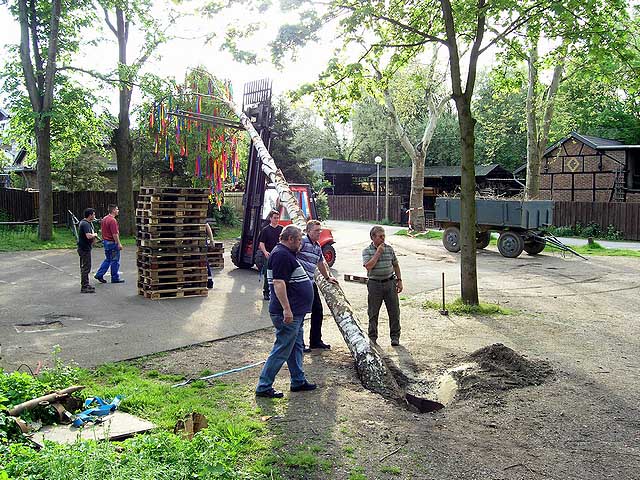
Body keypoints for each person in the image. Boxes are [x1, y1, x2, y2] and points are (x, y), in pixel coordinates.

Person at [256, 225, 317, 398]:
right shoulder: (281, 254)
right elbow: (278, 283)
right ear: (290, 239)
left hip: (296, 312)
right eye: (298, 240)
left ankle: (298, 380)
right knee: (282, 348)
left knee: (296, 347)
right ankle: (263, 386)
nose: (300, 243)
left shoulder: (285, 253)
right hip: (287, 314)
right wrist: (287, 309)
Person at [297, 220, 338, 351]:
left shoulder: (317, 246)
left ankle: (315, 340)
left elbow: (321, 263)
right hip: (299, 283)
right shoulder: (302, 241)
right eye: (316, 230)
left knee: (318, 310)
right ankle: (299, 344)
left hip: (310, 282)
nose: (319, 233)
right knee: (301, 313)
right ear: (308, 231)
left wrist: (327, 277)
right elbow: (292, 254)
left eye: (320, 230)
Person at [362, 225, 403, 346]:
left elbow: (395, 265)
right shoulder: (367, 251)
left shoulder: (389, 249)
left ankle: (395, 337)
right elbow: (368, 266)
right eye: (380, 236)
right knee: (373, 312)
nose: (383, 238)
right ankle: (372, 337)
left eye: (384, 236)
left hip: (390, 282)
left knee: (394, 311)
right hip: (375, 284)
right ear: (373, 237)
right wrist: (378, 253)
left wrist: (399, 280)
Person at [94, 204, 124, 284]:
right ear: (113, 210)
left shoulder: (104, 219)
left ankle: (99, 274)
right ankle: (115, 278)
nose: (118, 211)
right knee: (115, 260)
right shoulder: (113, 220)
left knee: (108, 259)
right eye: (117, 209)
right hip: (112, 243)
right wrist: (118, 243)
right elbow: (115, 234)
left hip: (106, 242)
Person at [258, 210, 283, 300]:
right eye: (275, 218)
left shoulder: (282, 229)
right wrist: (265, 252)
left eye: (278, 218)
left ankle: (279, 293)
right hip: (269, 255)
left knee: (280, 274)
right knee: (267, 274)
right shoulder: (265, 230)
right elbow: (261, 243)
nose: (277, 219)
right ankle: (266, 292)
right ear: (270, 218)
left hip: (279, 255)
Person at [77, 208, 99, 293]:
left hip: (85, 248)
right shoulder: (85, 224)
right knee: (86, 268)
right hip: (84, 249)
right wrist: (95, 235)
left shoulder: (87, 223)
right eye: (93, 214)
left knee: (86, 267)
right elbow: (88, 236)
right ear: (90, 215)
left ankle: (86, 284)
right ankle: (84, 287)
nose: (94, 216)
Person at [205, 222, 214, 289]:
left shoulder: (202, 219)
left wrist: (211, 240)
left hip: (202, 243)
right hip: (193, 244)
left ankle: (209, 281)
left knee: (205, 261)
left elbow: (207, 226)